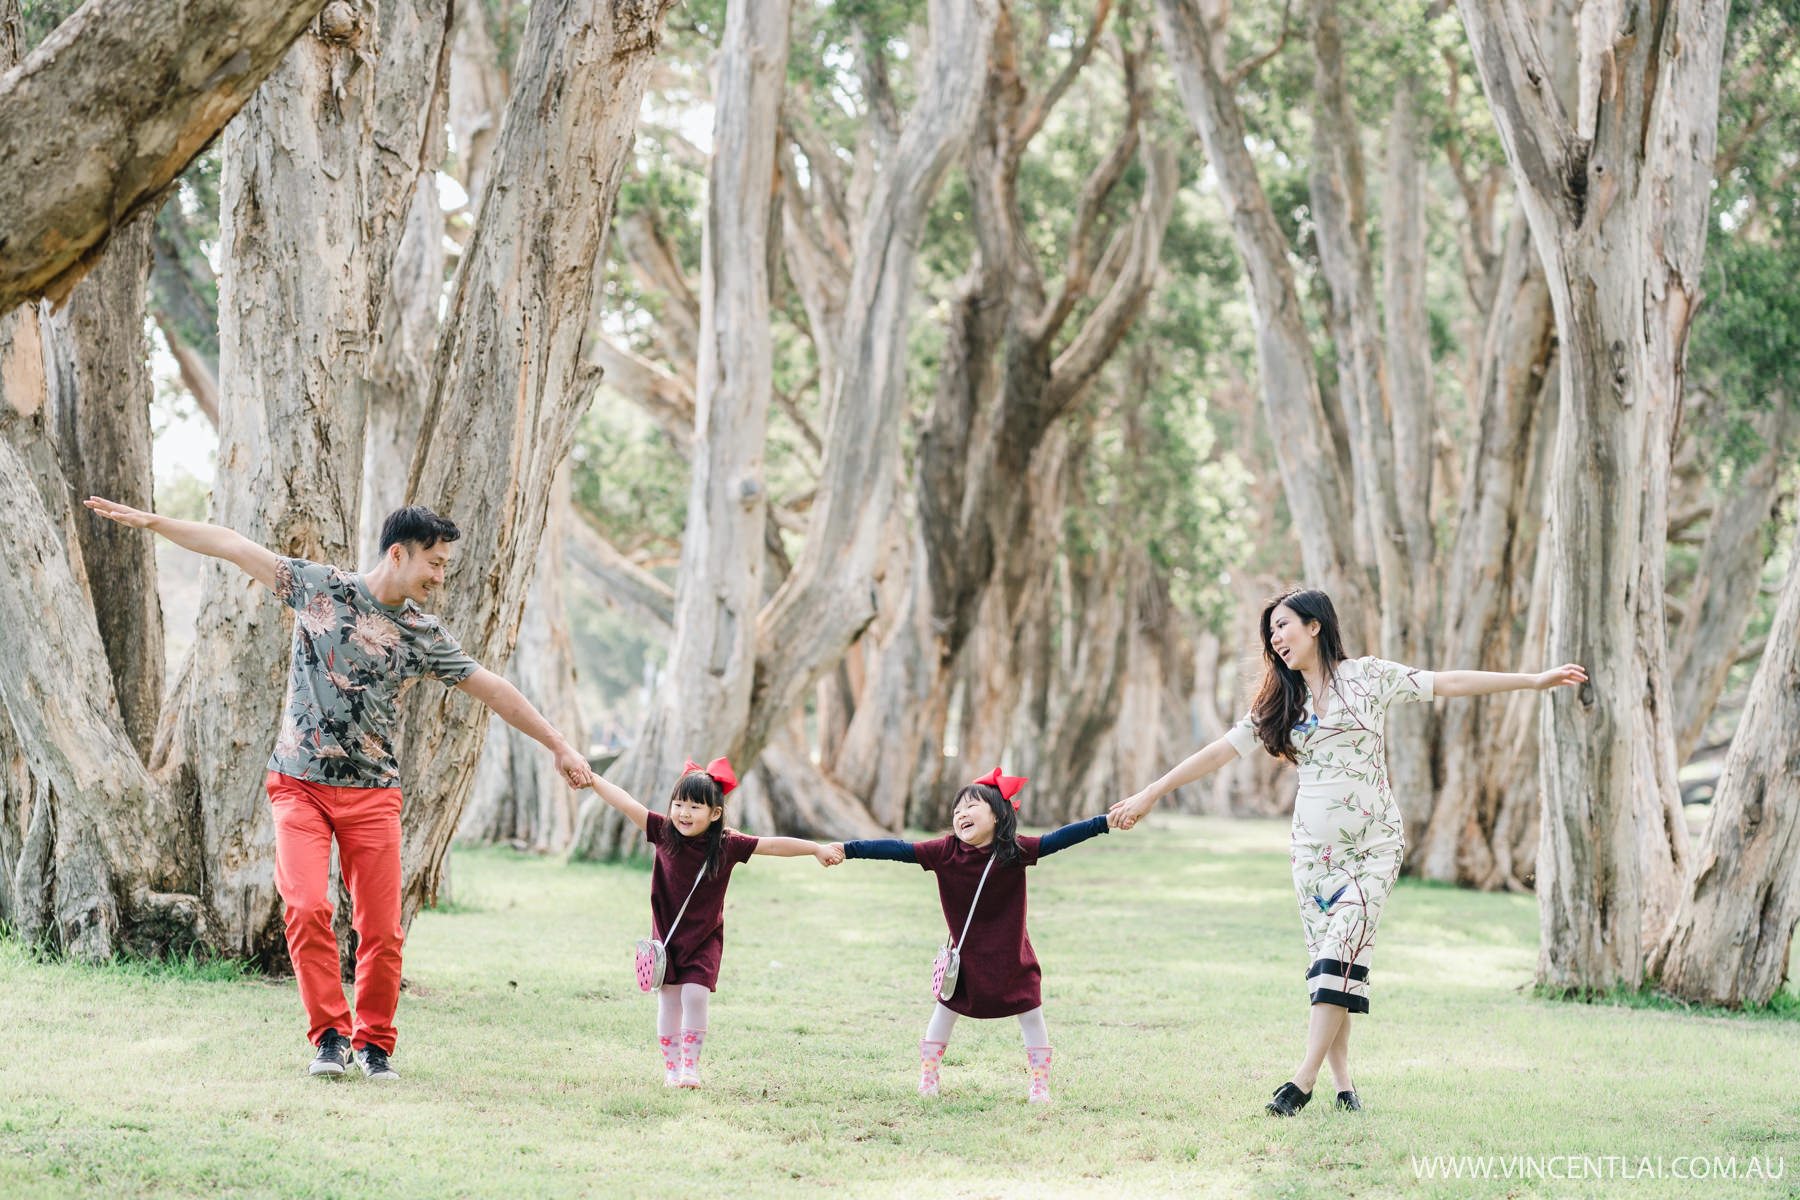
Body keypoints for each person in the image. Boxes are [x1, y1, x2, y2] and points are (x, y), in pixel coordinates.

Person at [84, 497, 594, 1082]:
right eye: (435, 562)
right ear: (397, 554)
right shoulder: (319, 588)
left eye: (446, 565)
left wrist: (558, 743)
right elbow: (230, 543)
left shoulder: (423, 634)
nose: (440, 576)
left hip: (373, 795)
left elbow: (494, 689)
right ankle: (329, 1037)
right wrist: (153, 522)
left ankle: (374, 1044)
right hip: (299, 785)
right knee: (306, 906)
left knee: (380, 929)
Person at [1111, 586, 1585, 1116]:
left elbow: (1447, 681)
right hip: (1313, 856)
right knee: (1332, 965)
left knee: (1341, 946)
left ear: (1315, 625)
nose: (1276, 638)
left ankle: (1301, 1081)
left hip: (1374, 847)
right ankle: (1343, 1084)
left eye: (1284, 625)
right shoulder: (1280, 703)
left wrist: (1534, 680)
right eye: (1270, 632)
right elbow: (1221, 749)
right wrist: (1151, 793)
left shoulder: (1369, 677)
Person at [827, 769, 1114, 1104]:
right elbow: (897, 848)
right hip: (965, 960)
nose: (961, 814)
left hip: (1011, 955)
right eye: (956, 810)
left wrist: (1104, 822)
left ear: (998, 814)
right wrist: (849, 849)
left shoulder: (1015, 851)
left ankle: (1039, 1084)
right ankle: (928, 1078)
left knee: (1032, 1013)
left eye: (971, 806)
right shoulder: (944, 851)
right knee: (944, 1013)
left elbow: (1060, 838)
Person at [585, 757, 841, 1088]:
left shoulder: (727, 844)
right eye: (678, 804)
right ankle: (671, 1068)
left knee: (695, 995)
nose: (683, 813)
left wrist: (815, 849)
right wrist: (592, 779)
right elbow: (625, 801)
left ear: (715, 813)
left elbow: (773, 845)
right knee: (669, 1001)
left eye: (694, 807)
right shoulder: (662, 831)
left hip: (705, 938)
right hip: (667, 939)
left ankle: (690, 1067)